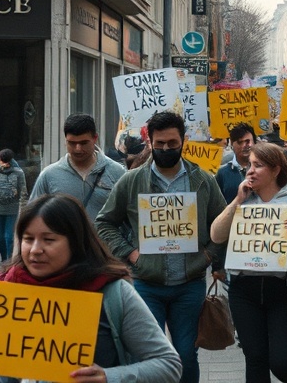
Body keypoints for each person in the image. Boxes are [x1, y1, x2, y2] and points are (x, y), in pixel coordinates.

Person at [0, 193, 181, 383]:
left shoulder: (114, 294)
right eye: (28, 239)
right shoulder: (3, 294)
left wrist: (109, 377)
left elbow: (168, 365)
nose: (35, 250)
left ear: (75, 242)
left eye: (49, 240)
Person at [96, 110, 227, 383]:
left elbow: (223, 224)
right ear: (150, 143)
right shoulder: (131, 181)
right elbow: (104, 223)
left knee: (186, 355)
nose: (166, 149)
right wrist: (130, 253)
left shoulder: (203, 181)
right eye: (160, 145)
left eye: (172, 144)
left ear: (184, 141)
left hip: (189, 285)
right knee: (150, 358)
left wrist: (208, 256)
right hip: (146, 284)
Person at [210, 142, 287, 382]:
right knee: (255, 359)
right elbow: (216, 235)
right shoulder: (243, 202)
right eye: (249, 165)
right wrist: (236, 202)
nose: (250, 171)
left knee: (282, 363)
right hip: (244, 292)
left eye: (258, 165)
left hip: (285, 291)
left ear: (276, 170)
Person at [30, 113, 125, 220]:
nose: (78, 149)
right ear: (65, 140)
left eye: (84, 143)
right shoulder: (48, 175)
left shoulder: (117, 172)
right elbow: (33, 218)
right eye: (72, 143)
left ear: (95, 138)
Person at [0, 148, 27, 262]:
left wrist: (23, 209)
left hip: (12, 210)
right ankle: (4, 260)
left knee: (9, 238)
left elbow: (23, 191)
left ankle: (9, 261)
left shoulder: (18, 172)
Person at [216, 123, 257, 203]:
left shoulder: (264, 170)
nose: (244, 146)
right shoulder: (222, 173)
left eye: (247, 141)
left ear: (255, 143)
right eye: (239, 142)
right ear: (231, 144)